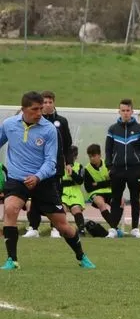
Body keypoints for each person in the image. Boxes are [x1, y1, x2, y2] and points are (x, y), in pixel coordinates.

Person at [1, 91, 95, 270]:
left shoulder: (49, 129)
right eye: (35, 109)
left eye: (41, 108)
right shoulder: (9, 125)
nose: (39, 112)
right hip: (17, 179)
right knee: (10, 209)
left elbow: (51, 161)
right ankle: (12, 260)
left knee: (63, 226)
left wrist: (37, 177)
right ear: (23, 109)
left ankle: (81, 255)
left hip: (43, 181)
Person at [25, 90, 72, 237]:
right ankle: (33, 227)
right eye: (44, 102)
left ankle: (55, 228)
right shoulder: (35, 121)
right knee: (34, 197)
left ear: (54, 103)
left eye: (50, 102)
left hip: (55, 167)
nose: (47, 105)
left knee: (55, 197)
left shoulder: (61, 121)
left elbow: (67, 145)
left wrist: (69, 163)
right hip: (37, 167)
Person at [105, 98, 140, 238]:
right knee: (116, 199)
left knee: (135, 199)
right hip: (117, 170)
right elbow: (108, 150)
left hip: (134, 170)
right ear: (119, 111)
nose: (125, 113)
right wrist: (109, 166)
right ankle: (113, 229)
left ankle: (135, 228)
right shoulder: (113, 129)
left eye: (128, 110)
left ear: (132, 111)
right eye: (123, 110)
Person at [83, 143, 122, 226]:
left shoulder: (108, 164)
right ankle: (114, 227)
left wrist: (97, 184)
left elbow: (114, 181)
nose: (92, 158)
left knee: (120, 202)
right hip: (96, 193)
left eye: (94, 156)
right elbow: (88, 188)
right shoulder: (87, 169)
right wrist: (106, 183)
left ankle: (114, 227)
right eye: (90, 157)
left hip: (109, 191)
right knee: (100, 203)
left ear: (100, 155)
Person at [58, 145, 86, 238]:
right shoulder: (60, 166)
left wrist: (72, 173)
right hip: (63, 191)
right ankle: (60, 230)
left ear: (76, 156)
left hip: (75, 191)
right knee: (61, 209)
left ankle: (81, 229)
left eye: (73, 156)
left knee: (76, 209)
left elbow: (80, 180)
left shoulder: (79, 166)